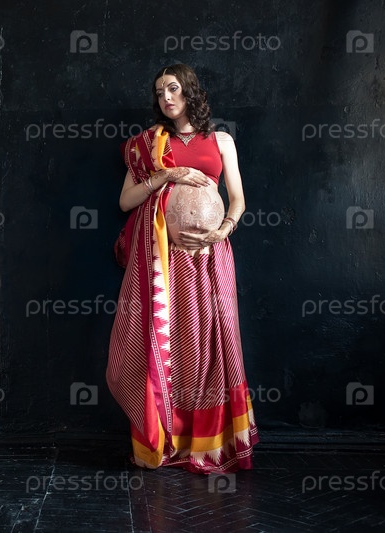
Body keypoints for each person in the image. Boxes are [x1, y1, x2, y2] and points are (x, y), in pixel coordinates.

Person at [107, 63, 259, 474]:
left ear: (190, 90)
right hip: (163, 261)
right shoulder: (149, 146)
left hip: (210, 257)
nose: (166, 98)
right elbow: (125, 201)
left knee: (213, 341)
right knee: (170, 345)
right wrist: (167, 175)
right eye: (160, 92)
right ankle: (167, 439)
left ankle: (209, 443)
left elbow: (238, 198)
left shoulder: (221, 140)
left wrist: (223, 229)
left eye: (173, 88)